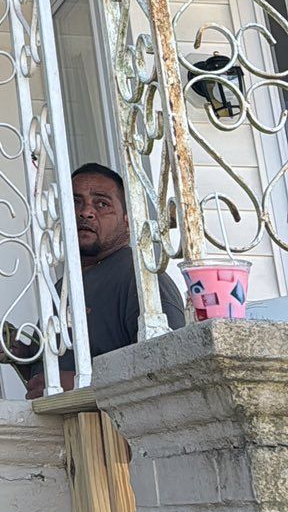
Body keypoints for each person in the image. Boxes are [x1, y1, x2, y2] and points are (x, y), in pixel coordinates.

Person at [23, 161, 185, 398]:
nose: (85, 212)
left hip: (112, 433)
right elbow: (51, 376)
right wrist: (23, 357)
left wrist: (83, 383)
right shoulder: (63, 286)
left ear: (128, 220)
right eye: (75, 202)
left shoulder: (142, 279)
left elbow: (172, 370)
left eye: (102, 203)